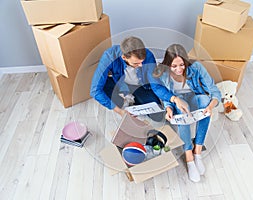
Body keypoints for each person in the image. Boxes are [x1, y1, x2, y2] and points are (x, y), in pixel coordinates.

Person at [152, 44, 221, 182]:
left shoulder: (196, 68)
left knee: (205, 100)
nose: (178, 69)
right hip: (180, 102)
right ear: (168, 65)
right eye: (174, 66)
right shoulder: (163, 74)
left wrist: (211, 106)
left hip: (194, 98)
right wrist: (169, 108)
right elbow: (166, 97)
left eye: (182, 65)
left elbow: (214, 91)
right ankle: (189, 157)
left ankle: (198, 152)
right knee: (182, 110)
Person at [90, 36, 163, 121]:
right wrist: (119, 111)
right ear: (124, 57)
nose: (141, 65)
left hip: (140, 86)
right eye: (136, 63)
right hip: (120, 84)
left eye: (142, 62)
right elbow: (94, 91)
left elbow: (155, 83)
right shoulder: (109, 55)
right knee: (103, 86)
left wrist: (171, 99)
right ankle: (123, 101)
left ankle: (136, 100)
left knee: (158, 116)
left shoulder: (148, 55)